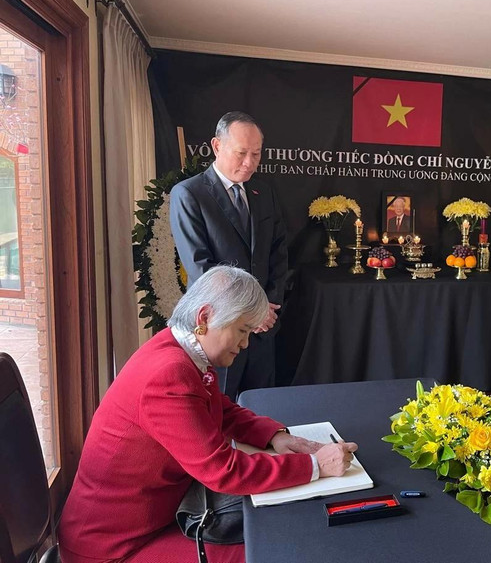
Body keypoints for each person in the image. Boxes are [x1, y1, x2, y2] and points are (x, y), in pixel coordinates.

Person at [57, 266, 357, 563]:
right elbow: (222, 471)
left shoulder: (177, 348)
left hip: (152, 520)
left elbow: (218, 408)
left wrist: (274, 436)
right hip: (114, 548)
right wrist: (313, 465)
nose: (245, 344)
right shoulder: (168, 374)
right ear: (204, 318)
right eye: (242, 331)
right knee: (277, 550)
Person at [170, 111, 287, 399]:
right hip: (221, 328)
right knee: (220, 411)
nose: (249, 163)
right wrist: (249, 312)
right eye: (241, 153)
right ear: (217, 146)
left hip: (263, 327)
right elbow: (201, 269)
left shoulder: (264, 191)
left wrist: (265, 308)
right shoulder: (189, 194)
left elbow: (278, 253)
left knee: (262, 409)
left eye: (257, 154)